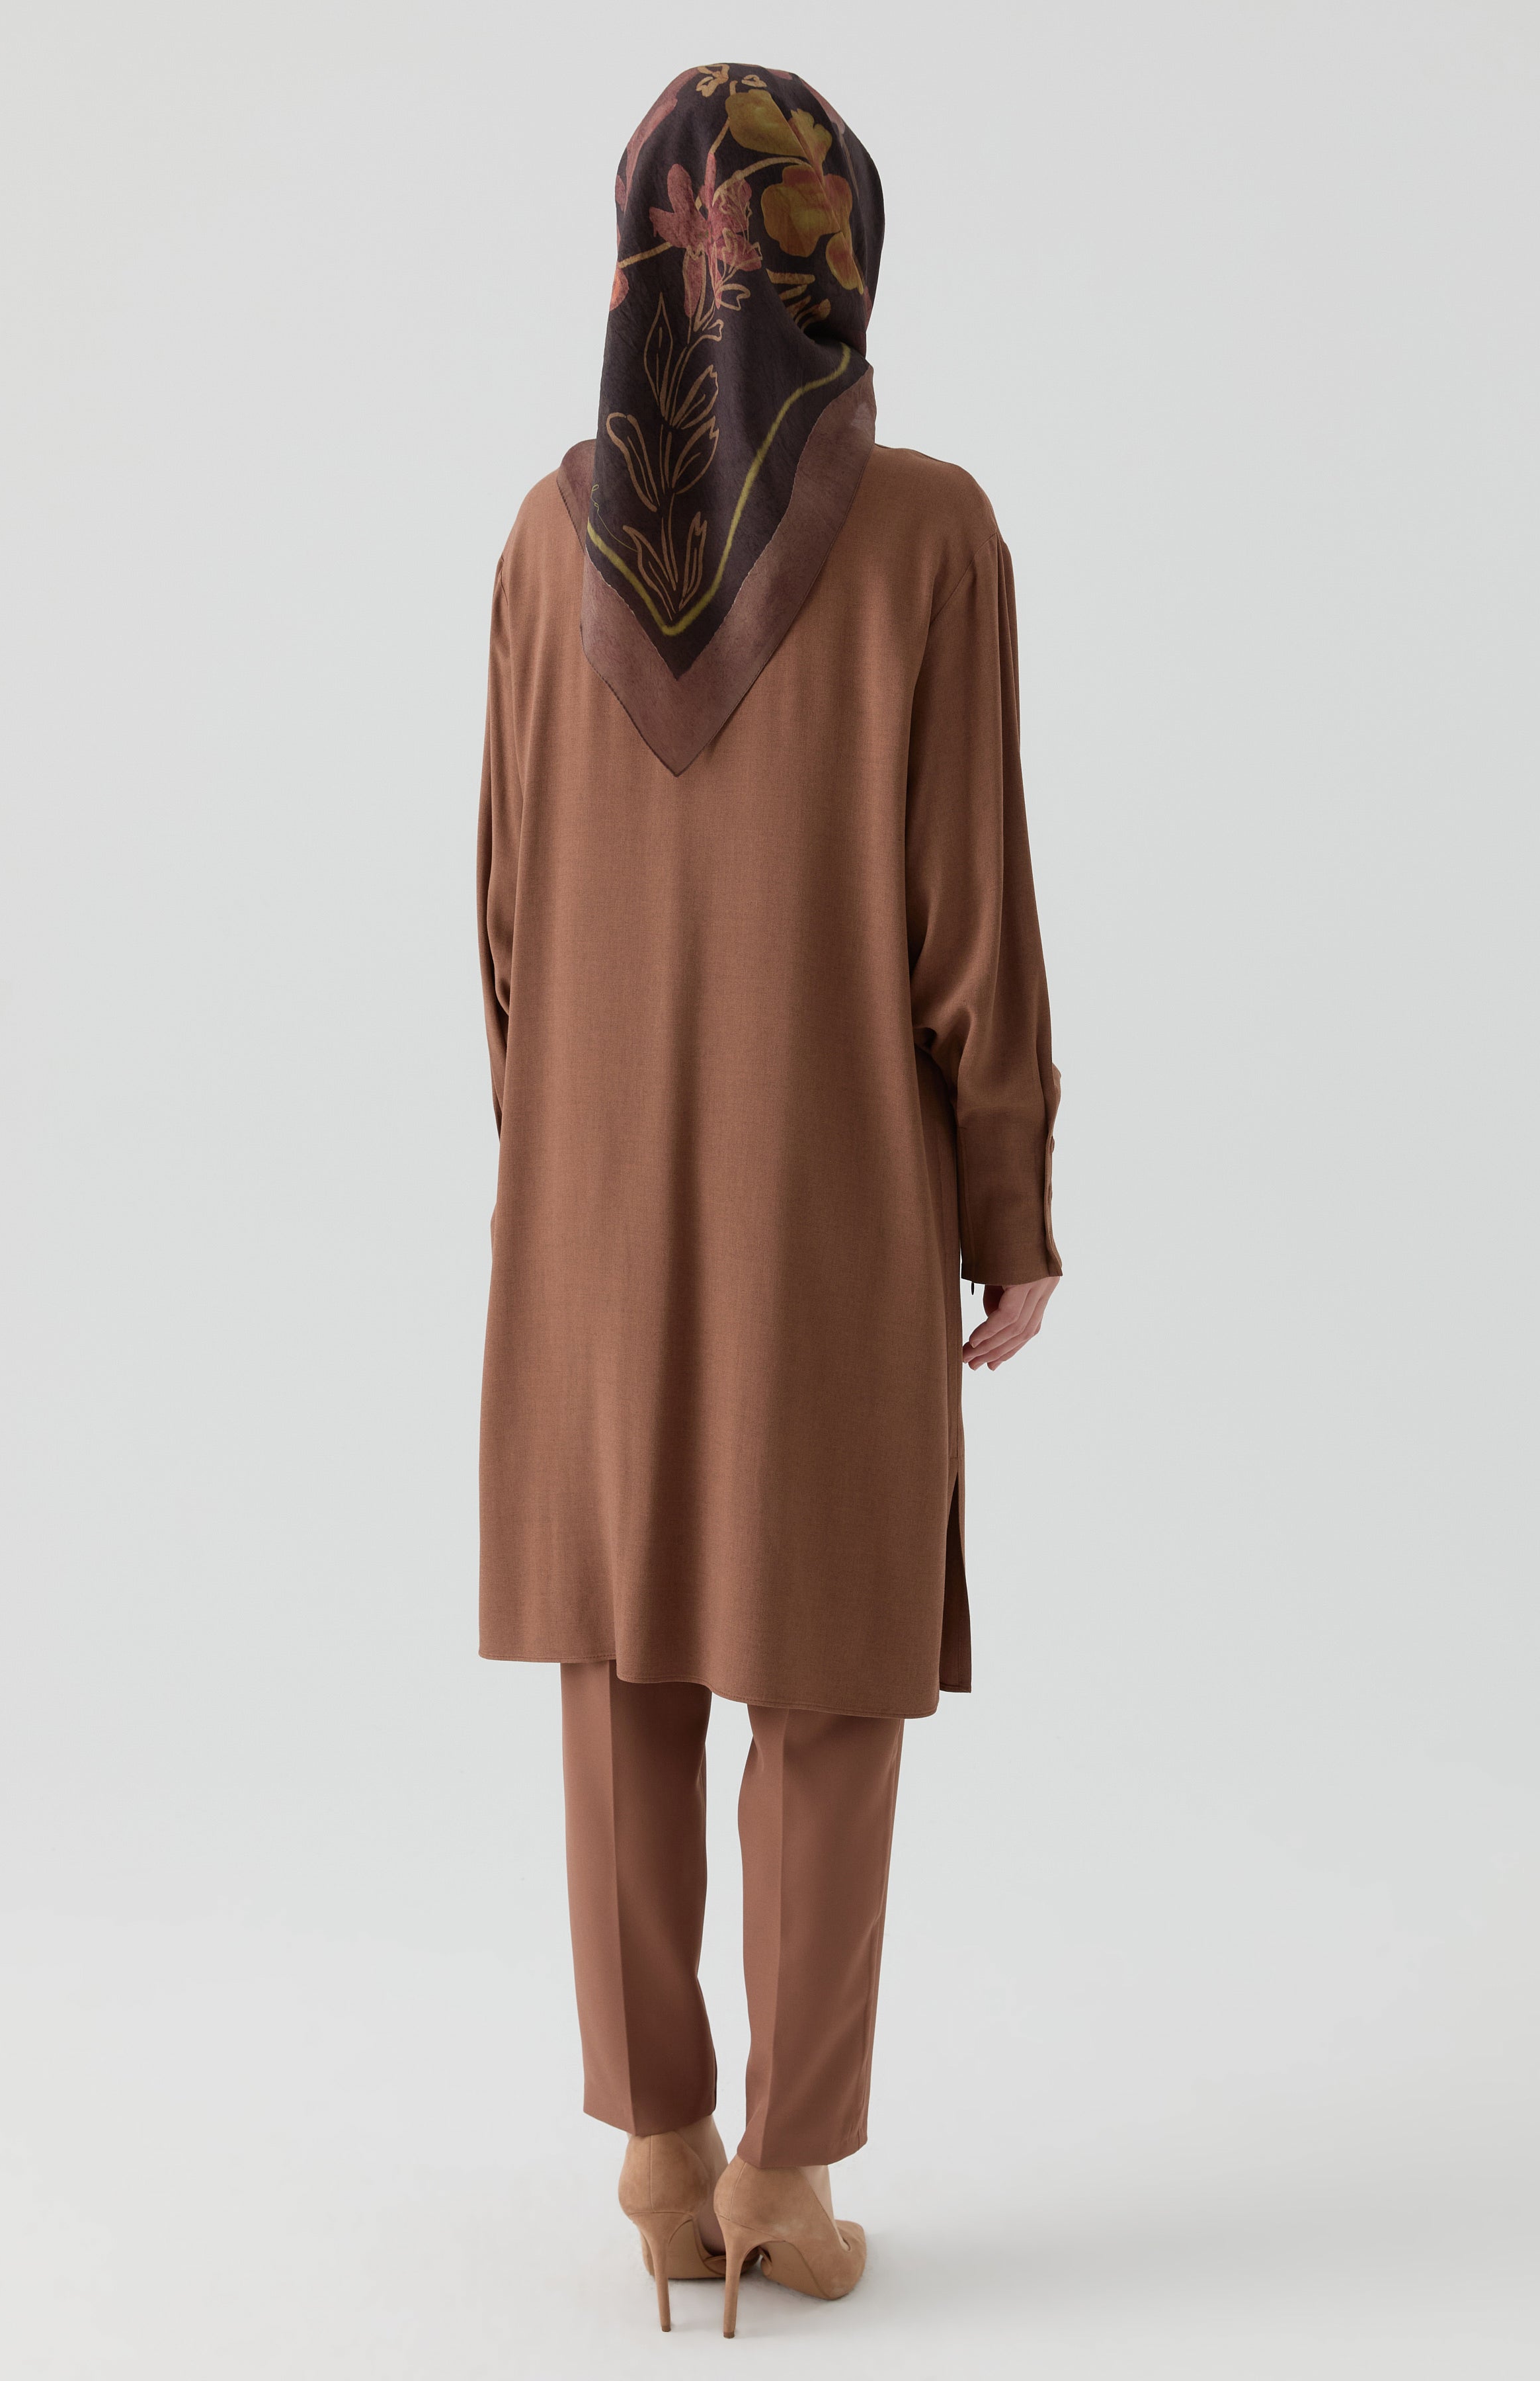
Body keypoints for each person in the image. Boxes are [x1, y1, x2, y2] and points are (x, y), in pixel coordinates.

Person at [475, 62, 1061, 2336]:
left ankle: (656, 2144)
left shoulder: (542, 545)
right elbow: (971, 923)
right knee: (823, 1667)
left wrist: (559, 1165)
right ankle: (787, 2179)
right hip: (828, 1193)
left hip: (591, 1199)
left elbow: (506, 916)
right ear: (840, 253)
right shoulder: (927, 536)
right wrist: (1006, 1206)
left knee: (625, 1650)